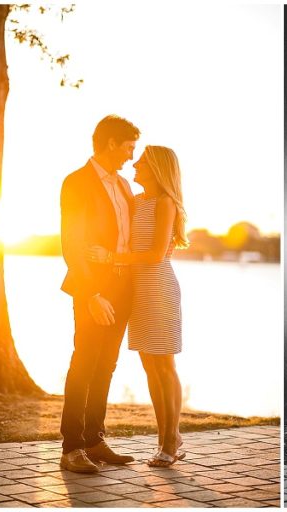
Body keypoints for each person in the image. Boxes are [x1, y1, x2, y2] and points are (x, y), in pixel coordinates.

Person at [88, 146, 188, 467]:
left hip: (159, 288)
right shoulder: (136, 201)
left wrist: (112, 257)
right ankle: (168, 435)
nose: (135, 164)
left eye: (142, 161)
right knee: (150, 368)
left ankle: (170, 441)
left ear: (157, 168)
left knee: (164, 367)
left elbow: (156, 254)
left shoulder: (165, 203)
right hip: (137, 291)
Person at [58, 115, 140, 473]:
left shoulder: (124, 186)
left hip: (124, 287)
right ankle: (71, 447)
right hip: (92, 287)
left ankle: (94, 438)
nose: (130, 156)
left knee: (106, 365)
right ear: (110, 144)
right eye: (128, 147)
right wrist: (91, 293)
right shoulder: (76, 182)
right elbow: (72, 244)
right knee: (84, 364)